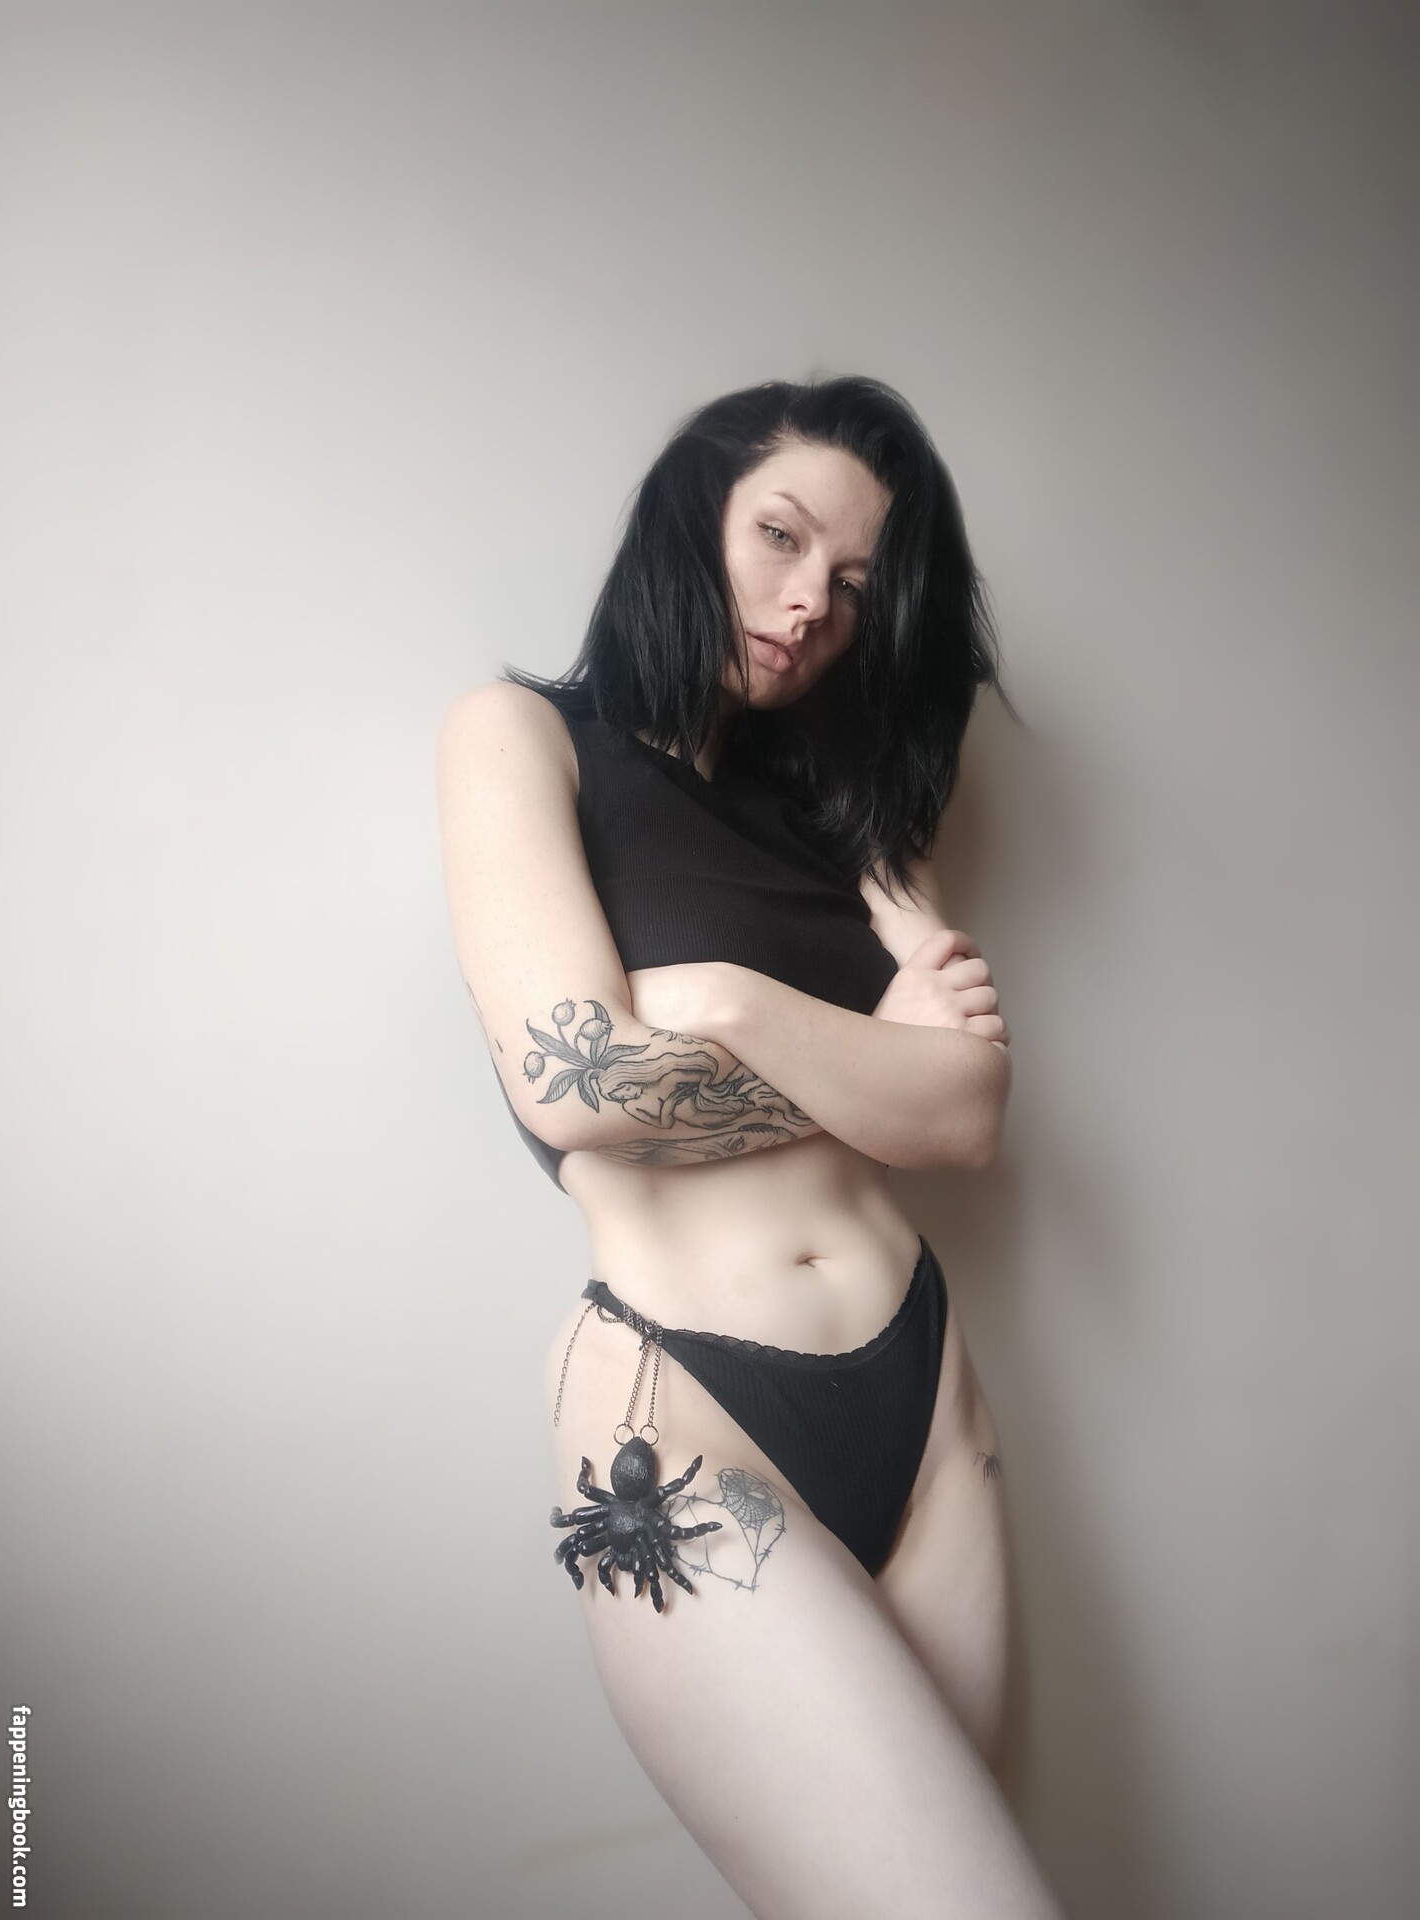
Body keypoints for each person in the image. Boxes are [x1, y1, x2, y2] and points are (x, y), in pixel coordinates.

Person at [435, 377, 1064, 1918]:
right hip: (681, 1409)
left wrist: (730, 1004)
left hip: (925, 1407)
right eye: (779, 538)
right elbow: (573, 1086)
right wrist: (876, 1062)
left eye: (850, 585)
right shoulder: (522, 739)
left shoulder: (856, 821)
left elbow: (968, 1115)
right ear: (689, 515)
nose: (807, 606)